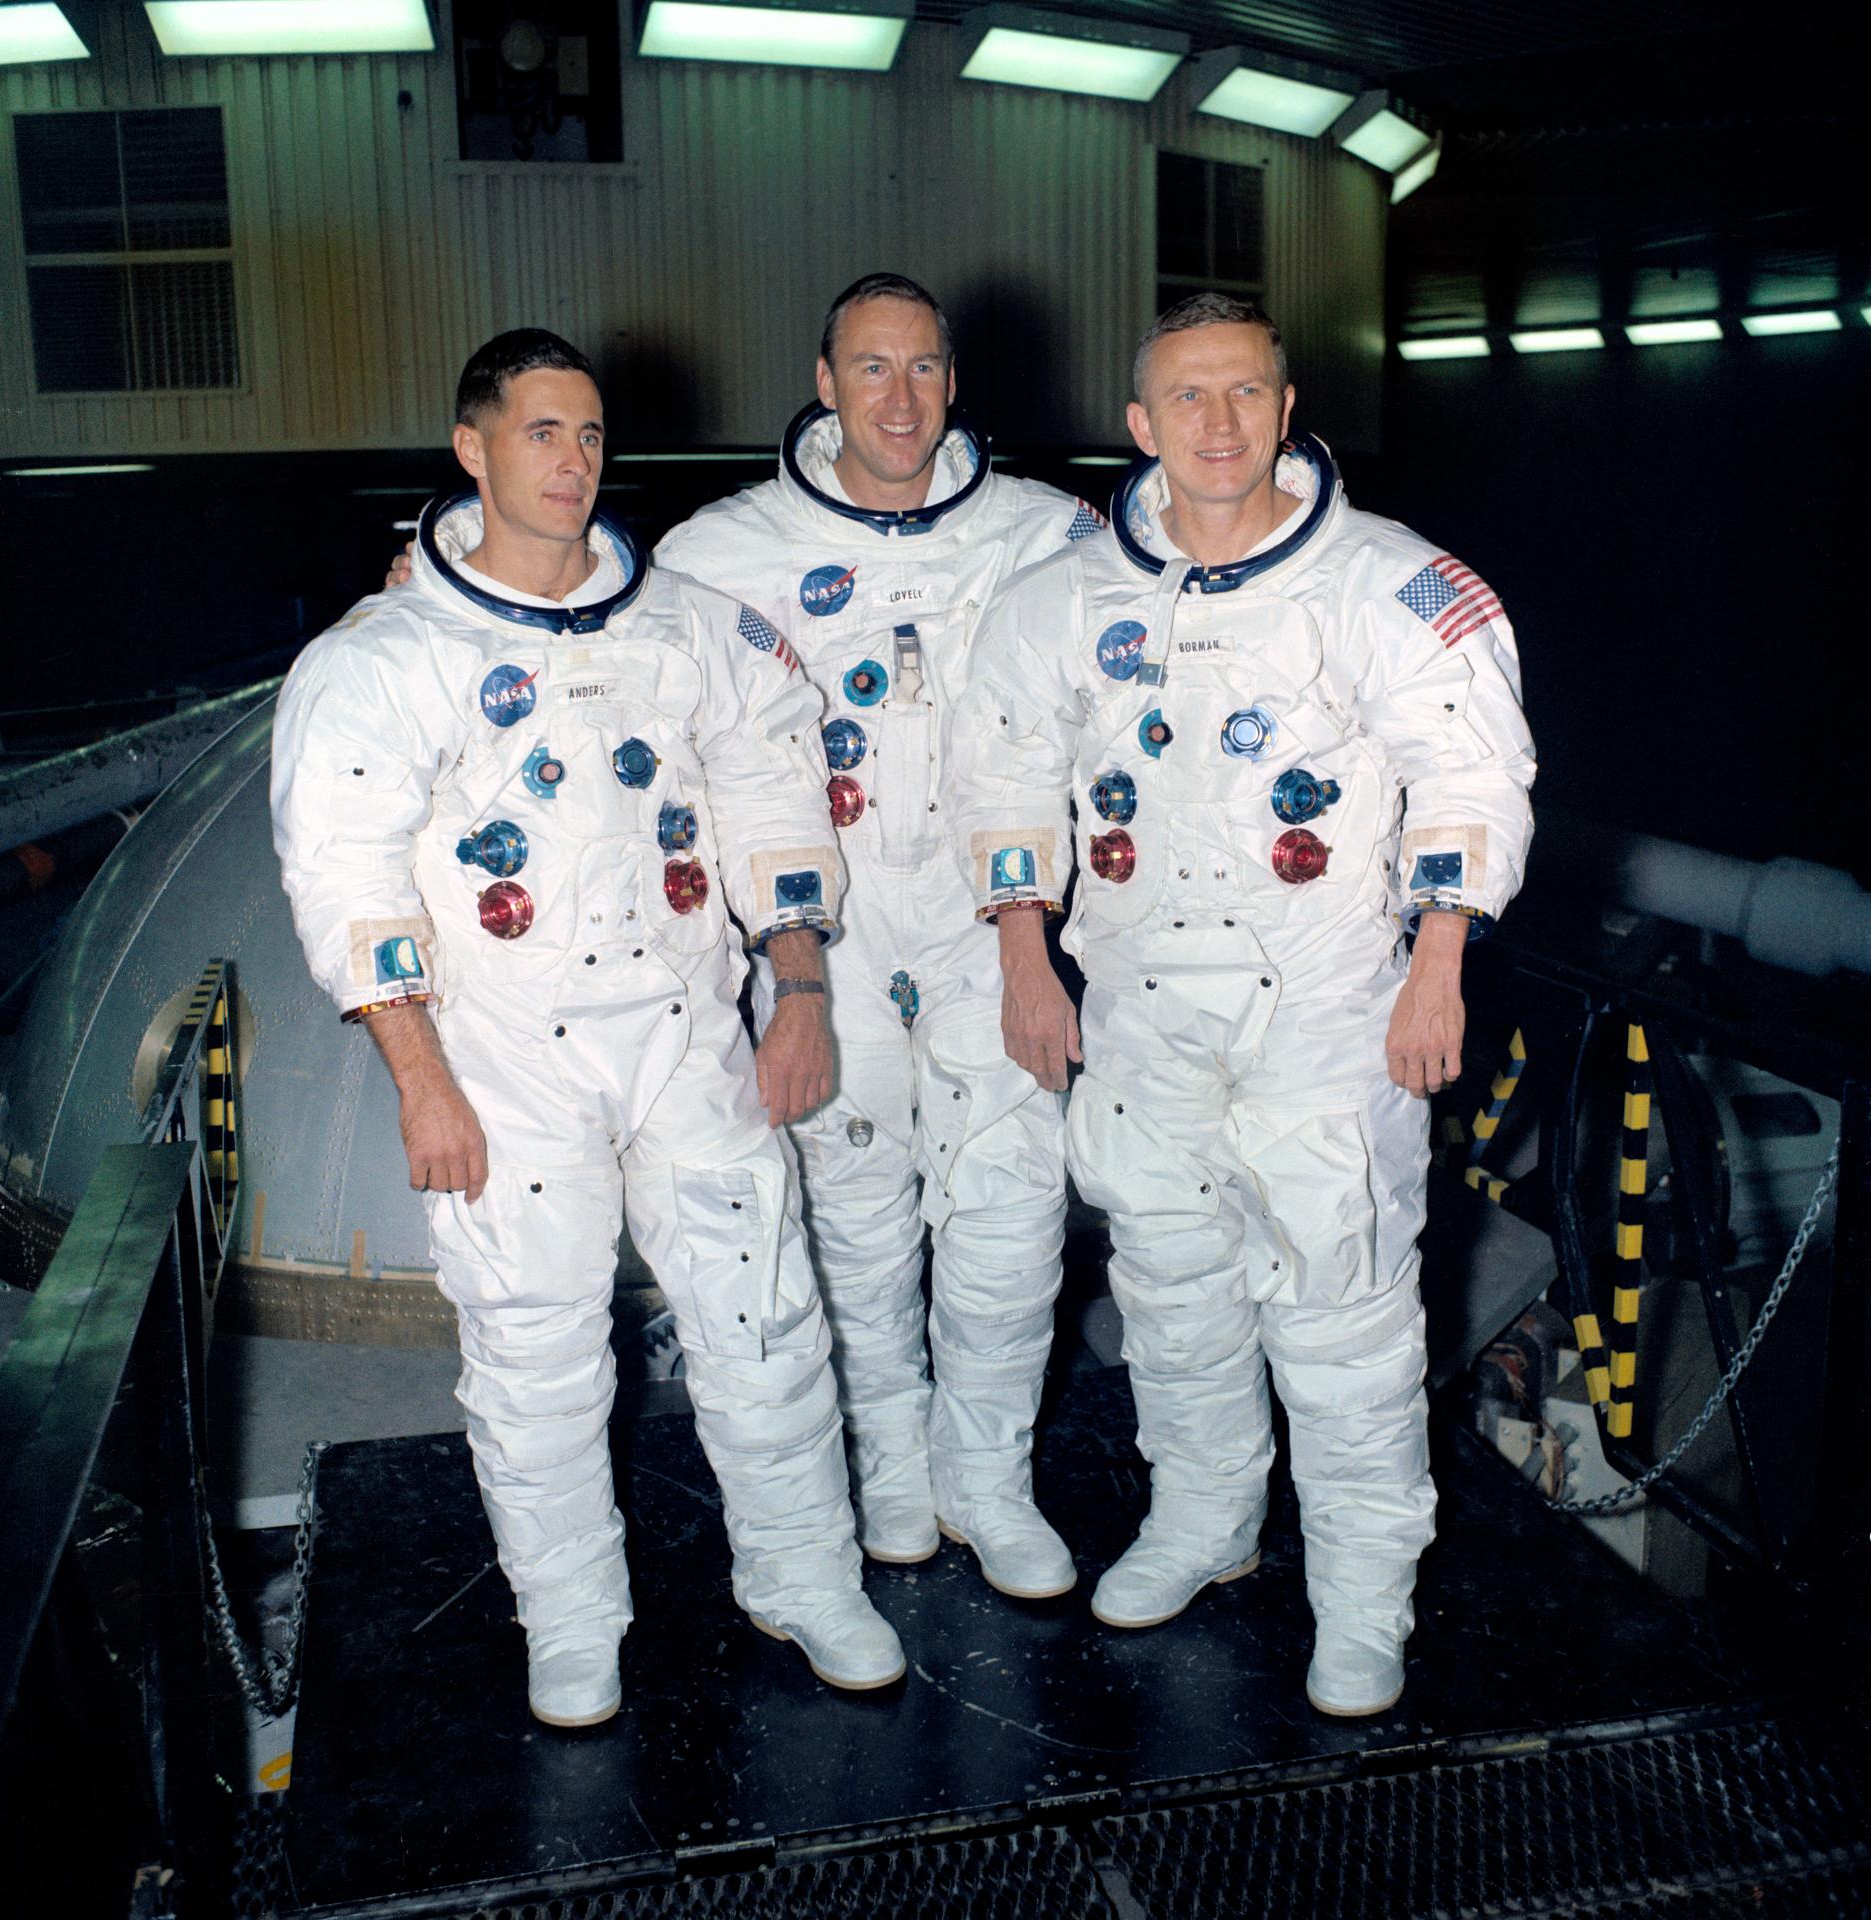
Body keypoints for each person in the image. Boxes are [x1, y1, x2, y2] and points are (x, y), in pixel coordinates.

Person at [271, 328, 903, 1730]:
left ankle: (805, 1578)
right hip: (507, 1056)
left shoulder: (685, 629)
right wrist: (421, 1083)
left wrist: (797, 987)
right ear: (473, 449)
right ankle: (573, 1623)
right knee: (538, 1350)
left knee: (766, 1321)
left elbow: (772, 797)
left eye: (591, 435)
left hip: (687, 1033)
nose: (572, 462)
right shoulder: (388, 660)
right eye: (541, 432)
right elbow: (348, 878)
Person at [949, 294, 1535, 1716]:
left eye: (1245, 395)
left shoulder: (1390, 585)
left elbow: (1469, 782)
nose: (1218, 425)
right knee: (1170, 1291)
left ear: (1286, 408)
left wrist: (1438, 968)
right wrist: (1027, 960)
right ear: (1142, 426)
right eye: (1186, 401)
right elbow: (1006, 777)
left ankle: (1361, 1600)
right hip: (1142, 1002)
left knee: (1340, 1313)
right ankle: (1204, 1523)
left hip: (1329, 1004)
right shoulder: (1064, 598)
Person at [652, 275, 1107, 1598]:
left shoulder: (1042, 535)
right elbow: (595, 638)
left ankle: (990, 1479)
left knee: (1012, 1213)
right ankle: (894, 1465)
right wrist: (414, 573)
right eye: (870, 368)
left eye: (922, 369)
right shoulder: (724, 551)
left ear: (954, 383)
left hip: (992, 924)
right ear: (824, 378)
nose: (897, 398)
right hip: (827, 931)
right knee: (853, 1214)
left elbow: (1181, 616)